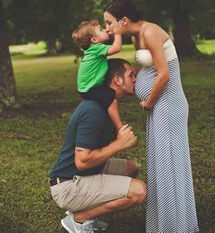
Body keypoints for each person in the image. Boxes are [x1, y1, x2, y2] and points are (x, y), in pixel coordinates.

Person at [104, 0, 199, 233]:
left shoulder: (151, 31)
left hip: (168, 103)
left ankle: (176, 225)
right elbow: (151, 68)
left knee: (170, 162)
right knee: (161, 161)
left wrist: (149, 102)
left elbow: (164, 75)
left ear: (123, 20)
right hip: (160, 105)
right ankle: (165, 221)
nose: (107, 27)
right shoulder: (136, 36)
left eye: (109, 22)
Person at [49, 58, 147, 233]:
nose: (135, 79)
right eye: (131, 75)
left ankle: (87, 212)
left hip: (84, 174)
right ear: (117, 80)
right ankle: (79, 219)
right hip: (68, 185)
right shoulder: (93, 111)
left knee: (130, 168)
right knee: (139, 191)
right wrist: (119, 144)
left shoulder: (107, 106)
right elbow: (82, 161)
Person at [72, 20, 123, 132]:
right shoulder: (96, 48)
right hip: (90, 88)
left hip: (86, 88)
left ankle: (109, 123)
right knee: (111, 98)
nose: (105, 30)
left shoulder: (92, 49)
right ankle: (119, 127)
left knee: (107, 96)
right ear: (94, 40)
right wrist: (118, 33)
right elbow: (117, 48)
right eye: (101, 30)